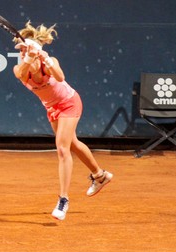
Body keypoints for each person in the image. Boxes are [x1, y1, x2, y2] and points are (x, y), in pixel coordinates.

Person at [12, 22, 113, 221]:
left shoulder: (49, 62)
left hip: (69, 102)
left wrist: (46, 59)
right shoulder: (19, 68)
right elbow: (21, 73)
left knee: (62, 148)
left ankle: (63, 200)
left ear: (33, 48)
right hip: (52, 108)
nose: (21, 52)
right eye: (21, 50)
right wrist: (31, 55)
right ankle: (100, 175)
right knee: (72, 144)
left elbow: (60, 76)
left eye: (24, 48)